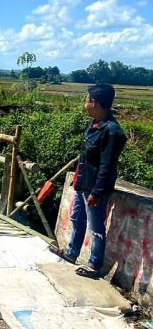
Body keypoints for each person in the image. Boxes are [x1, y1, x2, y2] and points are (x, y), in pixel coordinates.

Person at [50, 84, 126, 278]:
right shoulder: (94, 125)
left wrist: (97, 192)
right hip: (82, 183)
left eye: (86, 99)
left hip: (94, 188)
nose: (85, 103)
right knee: (77, 218)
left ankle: (94, 264)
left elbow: (106, 167)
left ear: (94, 102)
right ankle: (71, 253)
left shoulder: (111, 131)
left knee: (96, 226)